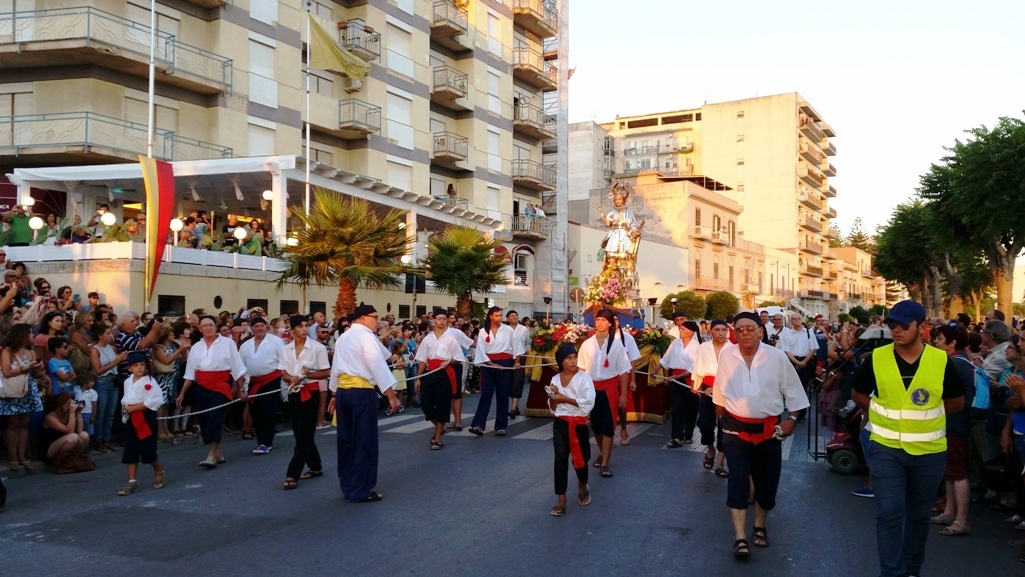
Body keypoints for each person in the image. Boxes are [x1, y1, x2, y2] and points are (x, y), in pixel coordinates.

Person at [850, 300, 964, 577]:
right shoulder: (877, 357)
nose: (896, 330)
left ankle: (912, 569)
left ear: (921, 327)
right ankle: (892, 573)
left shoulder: (940, 361)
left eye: (903, 325)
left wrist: (924, 420)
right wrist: (881, 415)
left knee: (918, 515)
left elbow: (956, 402)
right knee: (889, 512)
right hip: (887, 448)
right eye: (892, 324)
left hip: (929, 452)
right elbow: (858, 394)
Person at [713, 311, 809, 559]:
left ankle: (760, 525)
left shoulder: (776, 357)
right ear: (734, 332)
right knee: (738, 479)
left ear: (760, 331)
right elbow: (719, 389)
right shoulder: (726, 355)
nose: (744, 332)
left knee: (767, 482)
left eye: (750, 328)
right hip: (734, 430)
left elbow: (794, 391)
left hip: (768, 432)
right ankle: (740, 537)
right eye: (739, 329)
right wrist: (721, 416)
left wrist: (792, 419)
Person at [328, 305, 400, 502]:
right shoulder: (365, 336)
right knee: (364, 441)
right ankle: (361, 489)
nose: (377, 320)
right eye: (374, 317)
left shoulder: (344, 337)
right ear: (361, 318)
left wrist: (334, 393)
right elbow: (376, 364)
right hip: (361, 392)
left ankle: (348, 485)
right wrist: (391, 395)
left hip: (343, 392)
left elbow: (336, 366)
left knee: (346, 440)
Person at [177, 315, 247, 469]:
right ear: (200, 329)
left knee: (215, 418)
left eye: (210, 325)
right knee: (203, 419)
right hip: (202, 387)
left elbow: (237, 367)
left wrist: (241, 389)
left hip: (221, 386)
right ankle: (219, 453)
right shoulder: (196, 347)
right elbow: (190, 373)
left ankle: (211, 454)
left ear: (215, 326)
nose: (208, 328)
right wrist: (182, 393)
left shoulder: (228, 343)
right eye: (205, 325)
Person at [929, 324, 975, 536]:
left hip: (955, 422)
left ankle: (961, 519)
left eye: (939, 339)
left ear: (952, 342)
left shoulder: (956, 364)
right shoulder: (960, 361)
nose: (935, 343)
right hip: (952, 421)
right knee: (950, 470)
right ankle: (950, 512)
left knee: (956, 471)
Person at [577, 309, 630, 478]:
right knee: (596, 426)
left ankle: (606, 462)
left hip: (609, 390)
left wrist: (623, 394)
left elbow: (623, 371)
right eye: (598, 319)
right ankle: (602, 451)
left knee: (608, 427)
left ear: (610, 323)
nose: (600, 323)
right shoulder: (587, 344)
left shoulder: (616, 345)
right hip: (591, 389)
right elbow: (581, 369)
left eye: (603, 320)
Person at [280, 315, 331, 490]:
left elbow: (325, 372)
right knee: (299, 432)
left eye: (305, 325)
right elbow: (284, 373)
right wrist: (291, 378)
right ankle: (315, 466)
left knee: (304, 434)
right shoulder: (286, 349)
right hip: (294, 393)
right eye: (300, 326)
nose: (304, 329)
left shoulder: (317, 348)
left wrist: (307, 375)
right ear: (292, 329)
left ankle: (292, 474)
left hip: (311, 393)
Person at [547, 342, 595, 517]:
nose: (574, 361)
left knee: (580, 458)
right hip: (560, 423)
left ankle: (582, 484)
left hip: (578, 423)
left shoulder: (584, 378)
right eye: (569, 358)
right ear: (561, 362)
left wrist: (565, 398)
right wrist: (553, 396)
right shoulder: (555, 380)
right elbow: (553, 406)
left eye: (575, 357)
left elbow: (588, 403)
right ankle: (561, 498)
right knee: (560, 459)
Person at [468, 306, 523, 437]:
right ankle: (479, 425)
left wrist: (516, 362)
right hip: (488, 364)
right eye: (497, 315)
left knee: (503, 394)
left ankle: (501, 425)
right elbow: (481, 350)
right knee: (486, 394)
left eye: (501, 315)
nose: (500, 318)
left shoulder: (508, 330)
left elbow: (517, 347)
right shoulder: (482, 331)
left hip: (504, 362)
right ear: (491, 316)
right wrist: (491, 364)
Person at [117, 352, 166, 495]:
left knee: (147, 448)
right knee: (131, 449)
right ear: (130, 368)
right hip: (131, 418)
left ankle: (158, 469)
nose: (139, 368)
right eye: (136, 365)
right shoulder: (127, 382)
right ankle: (132, 482)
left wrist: (134, 407)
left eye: (142, 365)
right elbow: (126, 399)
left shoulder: (150, 382)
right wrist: (127, 410)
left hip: (145, 417)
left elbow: (153, 401)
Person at [414, 309, 461, 450]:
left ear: (447, 320)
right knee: (426, 404)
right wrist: (418, 378)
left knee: (442, 404)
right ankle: (439, 425)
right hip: (429, 373)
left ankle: (438, 437)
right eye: (438, 318)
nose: (441, 321)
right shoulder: (427, 339)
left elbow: (458, 358)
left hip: (444, 373)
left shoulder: (451, 338)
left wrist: (448, 362)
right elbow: (422, 359)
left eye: (444, 318)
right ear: (434, 320)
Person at [692, 319, 734, 476]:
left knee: (724, 426)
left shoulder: (733, 349)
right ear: (711, 331)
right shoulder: (704, 347)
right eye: (717, 329)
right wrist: (695, 385)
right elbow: (697, 367)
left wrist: (720, 388)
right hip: (707, 390)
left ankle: (720, 463)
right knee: (705, 425)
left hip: (726, 391)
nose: (721, 333)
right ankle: (710, 449)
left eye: (724, 330)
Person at [0, 323, 44, 471]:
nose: (32, 336)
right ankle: (13, 457)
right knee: (13, 424)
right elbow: (6, 372)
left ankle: (22, 456)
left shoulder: (31, 352)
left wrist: (38, 369)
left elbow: (35, 374)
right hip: (13, 389)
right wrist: (26, 368)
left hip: (27, 389)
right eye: (30, 333)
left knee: (24, 424)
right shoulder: (7, 352)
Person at [238, 316, 285, 455]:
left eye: (261, 326)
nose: (259, 328)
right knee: (255, 411)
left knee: (268, 410)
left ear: (266, 327)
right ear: (251, 328)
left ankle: (266, 442)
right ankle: (261, 440)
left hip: (272, 379)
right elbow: (240, 366)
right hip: (254, 381)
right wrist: (240, 387)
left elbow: (284, 360)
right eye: (256, 326)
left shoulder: (276, 341)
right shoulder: (245, 345)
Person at [662, 313, 700, 447]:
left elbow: (694, 366)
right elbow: (666, 358)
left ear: (690, 332)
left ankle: (689, 433)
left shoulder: (696, 346)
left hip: (690, 380)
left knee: (692, 407)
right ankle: (677, 437)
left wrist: (679, 376)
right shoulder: (675, 342)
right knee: (677, 408)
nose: (680, 330)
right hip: (676, 379)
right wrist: (655, 370)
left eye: (683, 329)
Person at [89, 322, 127, 453]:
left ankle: (107, 438)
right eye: (108, 333)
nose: (111, 335)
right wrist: (115, 362)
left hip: (113, 381)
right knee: (100, 413)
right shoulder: (94, 350)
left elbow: (116, 365)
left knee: (110, 413)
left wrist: (120, 361)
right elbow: (98, 370)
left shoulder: (112, 348)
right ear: (100, 336)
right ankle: (98, 439)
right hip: (102, 382)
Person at [39, 391, 91, 469]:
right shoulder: (50, 417)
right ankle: (59, 461)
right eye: (68, 403)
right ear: (60, 405)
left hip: (67, 443)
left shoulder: (69, 414)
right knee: (73, 437)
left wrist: (78, 413)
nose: (71, 405)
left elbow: (79, 430)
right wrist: (72, 412)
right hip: (50, 449)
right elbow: (69, 431)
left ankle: (72, 458)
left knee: (84, 435)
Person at [612, 315, 641, 445]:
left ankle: (623, 429)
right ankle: (609, 433)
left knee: (622, 405)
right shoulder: (601, 338)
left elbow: (632, 360)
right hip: (608, 376)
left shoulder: (627, 338)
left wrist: (633, 380)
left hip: (623, 375)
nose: (614, 322)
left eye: (616, 319)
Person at [507, 310, 532, 419]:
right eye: (512, 316)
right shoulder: (504, 329)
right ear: (508, 318)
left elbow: (528, 342)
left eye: (516, 316)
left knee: (517, 381)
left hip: (520, 358)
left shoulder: (523, 329)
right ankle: (515, 406)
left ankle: (513, 407)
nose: (514, 317)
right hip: (507, 358)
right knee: (510, 381)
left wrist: (526, 352)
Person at [73, 371, 98, 441]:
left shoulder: (93, 392)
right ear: (85, 381)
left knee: (88, 430)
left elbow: (94, 405)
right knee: (78, 428)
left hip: (88, 413)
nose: (93, 382)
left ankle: (86, 444)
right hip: (77, 412)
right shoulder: (75, 389)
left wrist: (93, 415)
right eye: (92, 381)